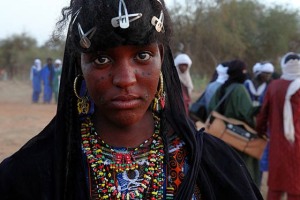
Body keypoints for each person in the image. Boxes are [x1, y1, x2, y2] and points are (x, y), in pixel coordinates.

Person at [0, 1, 263, 199]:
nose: (125, 79)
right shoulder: (30, 174)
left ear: (162, 58)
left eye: (142, 56)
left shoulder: (213, 165)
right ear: (80, 67)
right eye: (102, 59)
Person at [208, 59, 260, 186]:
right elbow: (246, 113)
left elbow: (211, 108)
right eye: (244, 71)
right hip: (237, 138)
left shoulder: (221, 87)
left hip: (220, 134)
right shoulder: (240, 89)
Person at [256, 52, 300, 200]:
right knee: (295, 187)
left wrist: (260, 131)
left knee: (275, 186)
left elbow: (263, 114)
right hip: (297, 145)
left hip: (277, 144)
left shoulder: (274, 86)